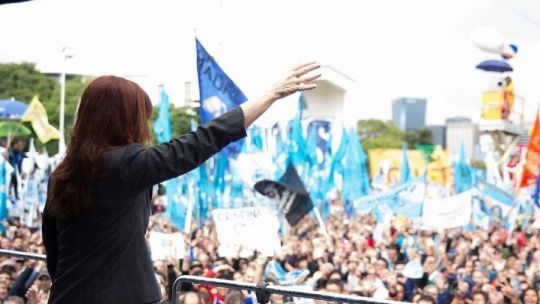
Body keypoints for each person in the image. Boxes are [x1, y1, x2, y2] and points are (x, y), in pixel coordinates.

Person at [42, 62, 321, 304]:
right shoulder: (127, 164)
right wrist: (270, 95)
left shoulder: (63, 173)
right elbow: (201, 141)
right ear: (123, 119)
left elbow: (54, 250)